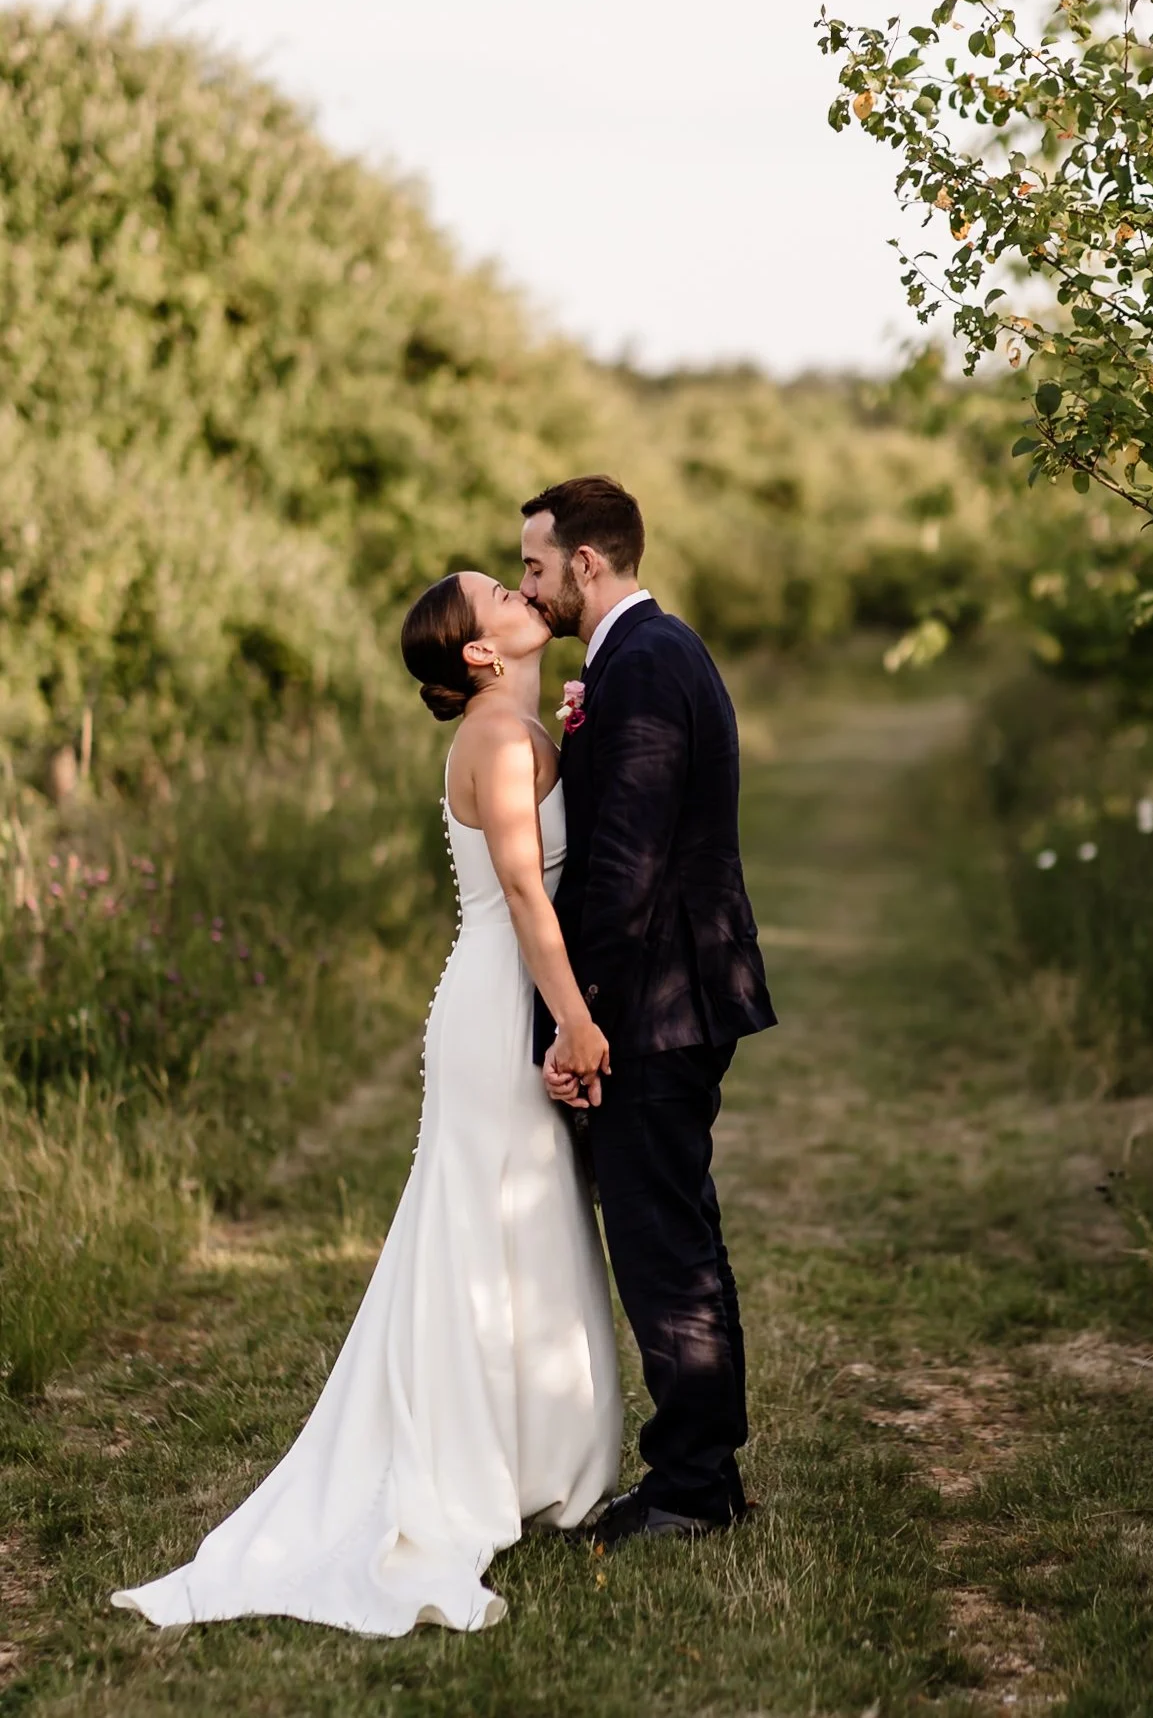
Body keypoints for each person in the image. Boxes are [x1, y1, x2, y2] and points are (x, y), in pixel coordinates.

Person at [112, 572, 620, 1635]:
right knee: (481, 1227)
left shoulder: (517, 720)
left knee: (522, 1221)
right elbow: (527, 892)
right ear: (479, 653)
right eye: (499, 594)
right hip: (498, 1004)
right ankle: (471, 1466)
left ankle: (531, 1454)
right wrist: (572, 1019)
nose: (520, 591)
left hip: (499, 991)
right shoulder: (500, 736)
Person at [520, 475, 776, 1546]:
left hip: (657, 1003)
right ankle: (699, 1471)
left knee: (661, 1242)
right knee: (676, 1231)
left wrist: (581, 1025)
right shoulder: (646, 654)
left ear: (587, 562)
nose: (528, 586)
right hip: (675, 991)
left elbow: (621, 871)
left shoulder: (640, 664)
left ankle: (691, 1486)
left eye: (534, 565)